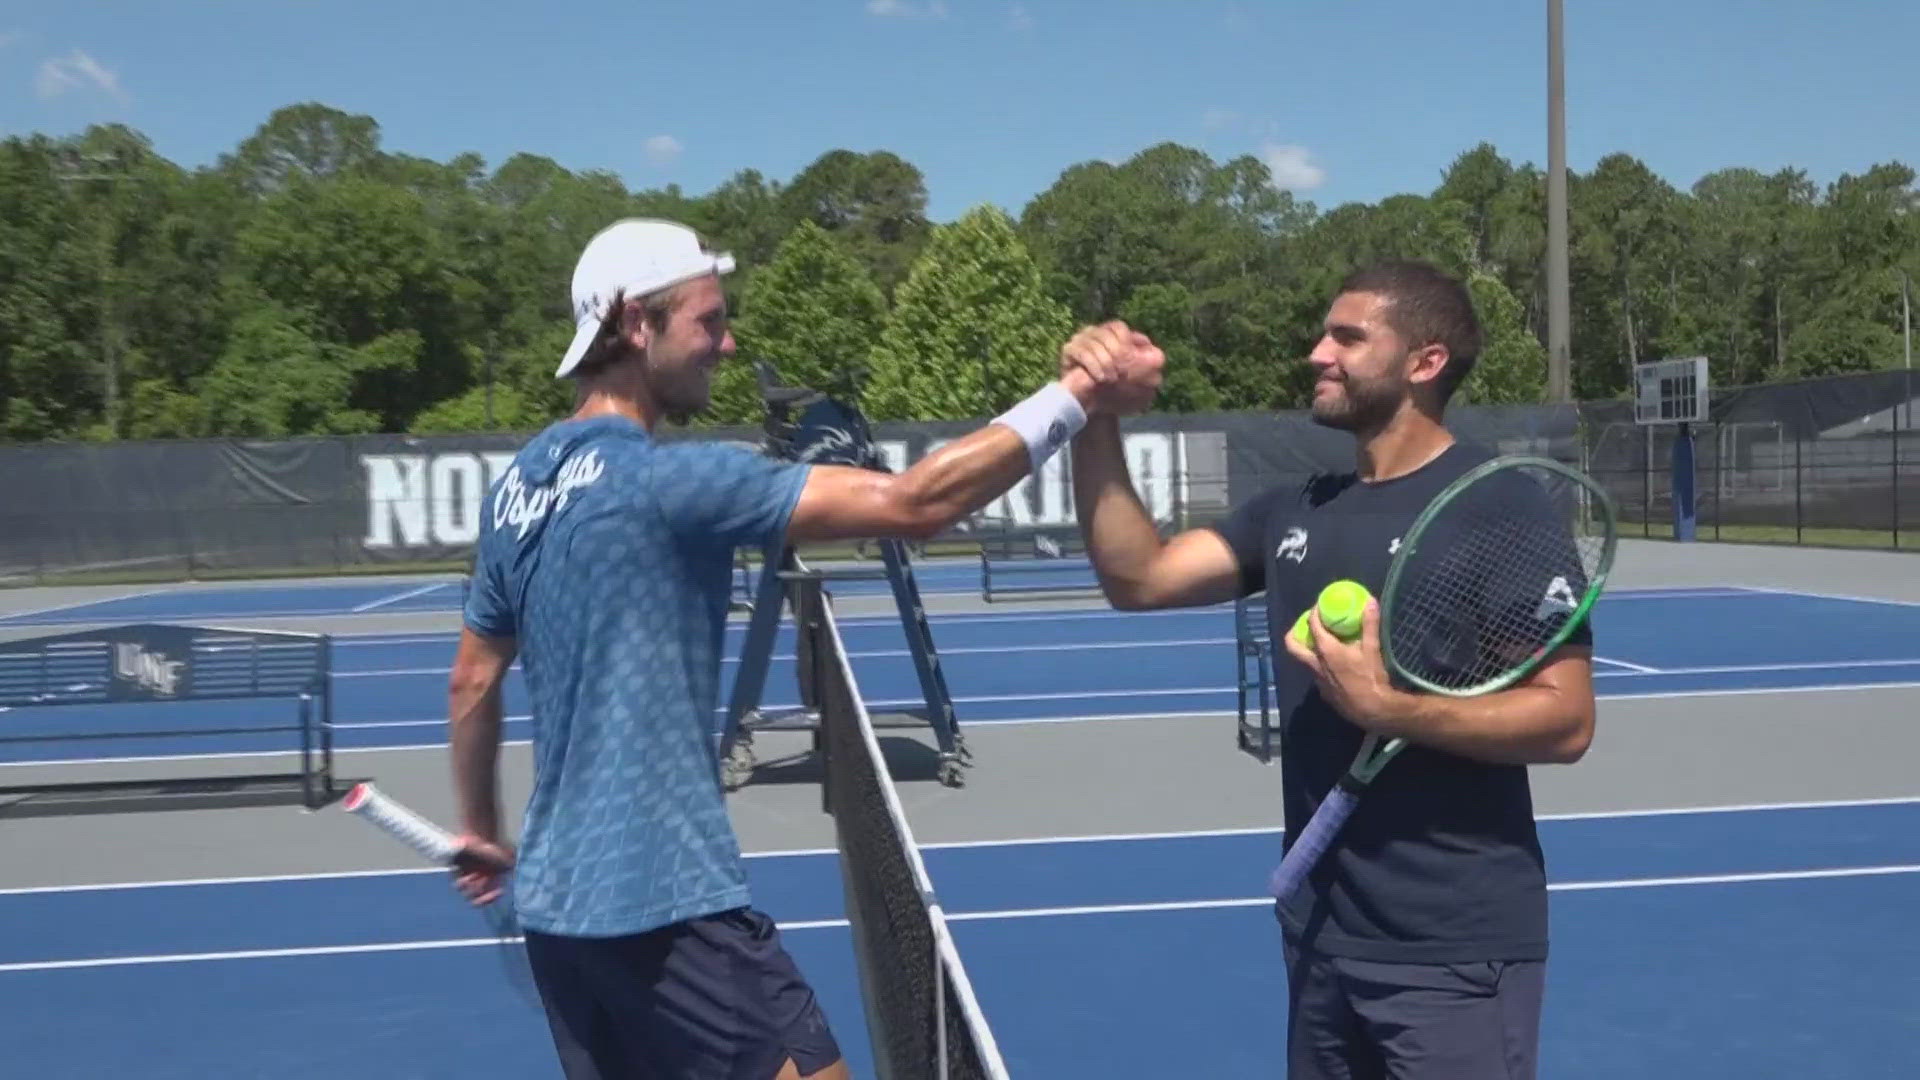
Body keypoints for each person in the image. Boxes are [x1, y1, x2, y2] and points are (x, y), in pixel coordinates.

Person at [443, 217, 1163, 1080]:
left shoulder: (516, 490)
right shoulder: (673, 480)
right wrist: (1078, 396)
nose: (728, 339)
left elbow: (471, 682)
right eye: (708, 321)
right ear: (636, 324)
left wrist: (482, 830)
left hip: (556, 912)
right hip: (666, 902)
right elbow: (913, 505)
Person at [1064, 260, 1596, 1079]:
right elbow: (1138, 579)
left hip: (1451, 950)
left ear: (1424, 362)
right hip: (1319, 934)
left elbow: (1566, 719)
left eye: (1348, 337)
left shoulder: (1500, 504)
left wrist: (1392, 710)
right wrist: (1093, 414)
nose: (1318, 352)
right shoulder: (1295, 507)